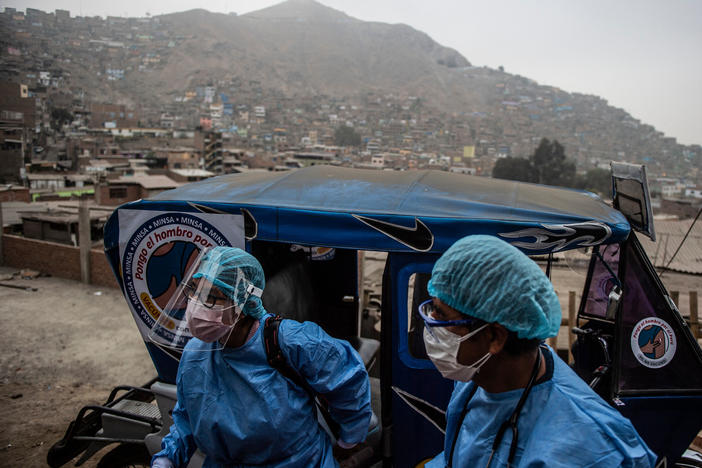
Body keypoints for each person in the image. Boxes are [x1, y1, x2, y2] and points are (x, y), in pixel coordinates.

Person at [422, 235, 657, 468]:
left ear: (494, 337)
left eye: (441, 315)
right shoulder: (476, 378)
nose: (430, 322)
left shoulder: (593, 451)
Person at [150, 246, 372, 468]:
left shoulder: (290, 342)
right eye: (195, 291)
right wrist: (167, 458)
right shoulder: (195, 355)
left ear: (243, 303)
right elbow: (187, 418)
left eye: (211, 297)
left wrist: (349, 440)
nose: (196, 306)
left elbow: (348, 381)